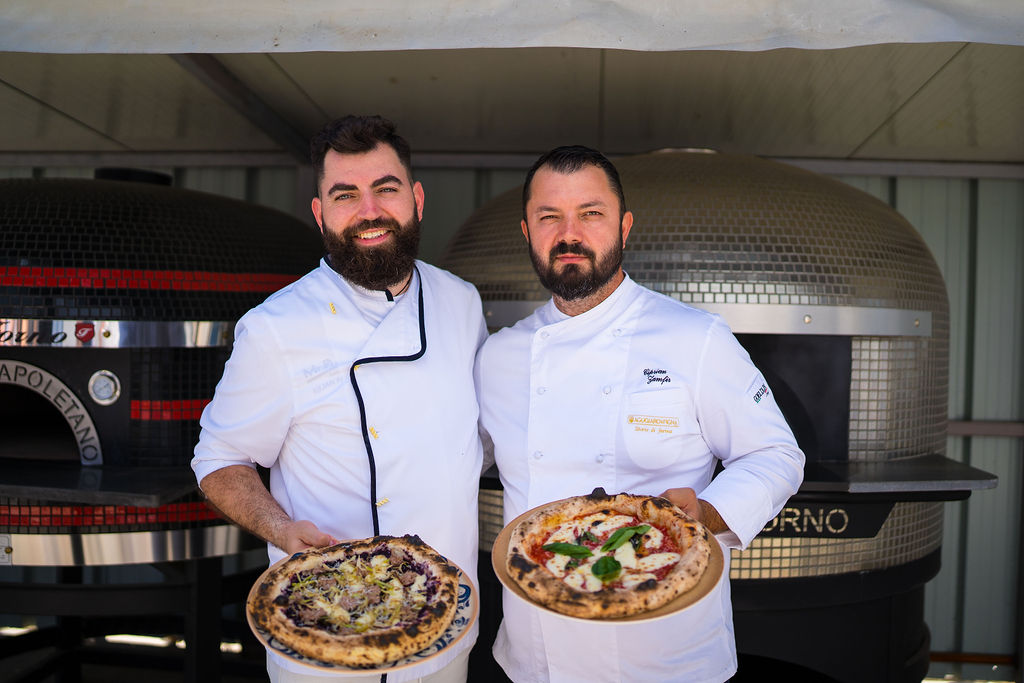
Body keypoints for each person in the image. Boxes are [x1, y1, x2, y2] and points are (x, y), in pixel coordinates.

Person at [474, 145, 805, 682]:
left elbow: (776, 455)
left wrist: (705, 514)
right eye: (549, 216)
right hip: (537, 658)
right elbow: (453, 460)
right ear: (527, 231)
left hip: (665, 656)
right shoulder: (499, 355)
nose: (569, 233)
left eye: (591, 213)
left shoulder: (695, 338)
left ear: (624, 227)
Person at [191, 115, 486, 683]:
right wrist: (281, 529)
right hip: (324, 634)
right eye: (345, 195)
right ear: (320, 212)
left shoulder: (462, 302)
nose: (369, 211)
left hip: (444, 625)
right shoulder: (276, 326)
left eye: (386, 188)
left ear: (417, 199)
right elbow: (219, 460)